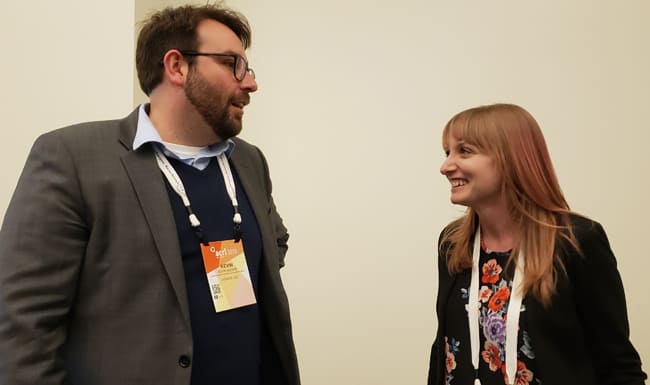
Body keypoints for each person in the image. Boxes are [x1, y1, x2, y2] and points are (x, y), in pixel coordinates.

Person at [0, 4, 299, 385]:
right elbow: (22, 326)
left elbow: (274, 244)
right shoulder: (72, 157)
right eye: (232, 64)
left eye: (248, 68)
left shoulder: (248, 161)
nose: (250, 83)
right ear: (176, 66)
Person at [428, 103, 646, 385]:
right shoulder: (453, 244)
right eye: (447, 152)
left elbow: (618, 366)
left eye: (464, 151)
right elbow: (443, 350)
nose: (446, 166)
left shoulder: (575, 241)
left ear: (510, 158)